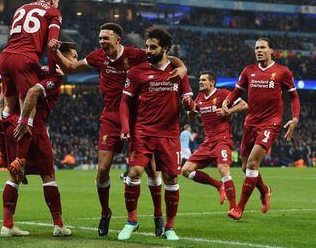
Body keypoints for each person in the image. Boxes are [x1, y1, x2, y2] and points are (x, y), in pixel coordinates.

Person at [50, 22, 187, 237]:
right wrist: (55, 51)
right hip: (112, 116)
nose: (102, 42)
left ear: (118, 40)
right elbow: (70, 67)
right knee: (103, 169)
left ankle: (159, 215)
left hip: (139, 117)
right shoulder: (98, 57)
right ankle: (106, 212)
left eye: (106, 38)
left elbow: (165, 57)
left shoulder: (136, 54)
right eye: (100, 38)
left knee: (151, 169)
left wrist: (182, 67)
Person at [118, 26, 192, 241]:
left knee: (170, 179)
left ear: (165, 48)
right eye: (146, 46)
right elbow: (124, 102)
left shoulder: (178, 73)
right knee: (134, 174)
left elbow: (189, 102)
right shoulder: (136, 72)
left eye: (153, 47)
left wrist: (189, 104)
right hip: (143, 131)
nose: (148, 51)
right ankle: (131, 221)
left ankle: (169, 227)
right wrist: (125, 127)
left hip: (169, 134)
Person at [0, 42, 77, 237]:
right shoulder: (56, 74)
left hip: (13, 126)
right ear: (62, 56)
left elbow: (7, 87)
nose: (75, 60)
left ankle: (7, 225)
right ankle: (59, 225)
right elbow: (32, 92)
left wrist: (1, 107)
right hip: (33, 129)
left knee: (13, 177)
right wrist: (27, 121)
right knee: (48, 176)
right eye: (73, 56)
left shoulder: (31, 68)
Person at [223, 37, 300, 220]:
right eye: (256, 48)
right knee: (244, 167)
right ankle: (265, 190)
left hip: (270, 123)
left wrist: (295, 118)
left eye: (262, 47)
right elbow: (237, 92)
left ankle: (239, 208)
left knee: (251, 164)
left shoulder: (283, 72)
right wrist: (227, 101)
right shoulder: (248, 71)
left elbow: (294, 97)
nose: (258, 50)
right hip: (250, 122)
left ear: (271, 50)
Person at [0, 0, 62, 182]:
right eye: (57, 1)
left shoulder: (21, 8)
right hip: (25, 58)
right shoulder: (53, 12)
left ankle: (1, 152)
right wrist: (52, 70)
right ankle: (19, 159)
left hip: (5, 56)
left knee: (8, 106)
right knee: (29, 102)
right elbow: (52, 45)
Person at [181, 71, 248, 211]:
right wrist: (189, 108)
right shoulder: (199, 97)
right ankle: (218, 185)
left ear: (212, 83)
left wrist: (228, 111)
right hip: (207, 142)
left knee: (223, 168)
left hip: (222, 140)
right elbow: (191, 117)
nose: (200, 82)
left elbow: (244, 105)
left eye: (204, 80)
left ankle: (233, 208)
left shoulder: (223, 94)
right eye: (200, 79)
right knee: (185, 171)